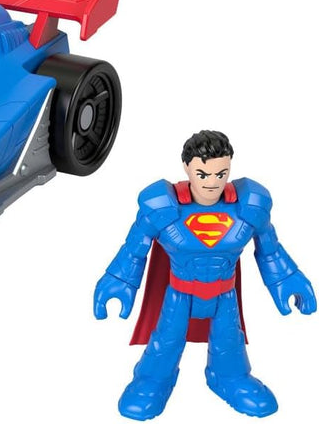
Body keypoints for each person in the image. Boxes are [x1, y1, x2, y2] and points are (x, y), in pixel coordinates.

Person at [93, 130, 316, 420]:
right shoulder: (161, 207)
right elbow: (134, 250)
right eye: (203, 174)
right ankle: (152, 381)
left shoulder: (249, 207)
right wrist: (119, 280)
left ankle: (229, 379)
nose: (212, 182)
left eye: (221, 174)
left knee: (229, 342)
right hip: (180, 293)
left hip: (225, 294)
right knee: (166, 342)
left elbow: (270, 250)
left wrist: (288, 279)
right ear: (187, 168)